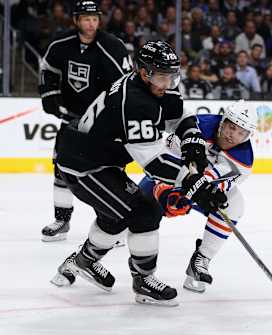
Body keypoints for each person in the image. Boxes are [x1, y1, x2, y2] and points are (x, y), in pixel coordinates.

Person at [52, 41, 226, 306]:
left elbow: (180, 116)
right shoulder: (134, 102)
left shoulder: (155, 84)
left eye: (172, 75)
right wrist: (193, 182)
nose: (168, 82)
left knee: (115, 217)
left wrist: (192, 143)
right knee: (144, 211)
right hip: (83, 165)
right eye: (162, 76)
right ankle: (144, 281)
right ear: (143, 73)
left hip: (97, 158)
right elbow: (154, 162)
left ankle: (81, 263)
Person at [138, 99, 256, 294]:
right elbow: (165, 157)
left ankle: (201, 260)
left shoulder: (243, 159)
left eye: (241, 133)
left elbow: (217, 182)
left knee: (235, 203)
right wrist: (167, 189)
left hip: (199, 190)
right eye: (231, 127)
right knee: (133, 211)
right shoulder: (198, 126)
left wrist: (201, 192)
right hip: (171, 177)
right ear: (223, 121)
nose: (232, 135)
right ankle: (88, 255)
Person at [39, 0, 132, 242]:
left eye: (95, 19)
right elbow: (47, 69)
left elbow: (125, 84)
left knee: (109, 174)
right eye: (86, 19)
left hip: (104, 124)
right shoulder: (62, 45)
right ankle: (62, 220)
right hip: (71, 120)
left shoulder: (113, 46)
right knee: (61, 168)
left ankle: (114, 222)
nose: (91, 23)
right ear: (76, 20)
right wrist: (49, 95)